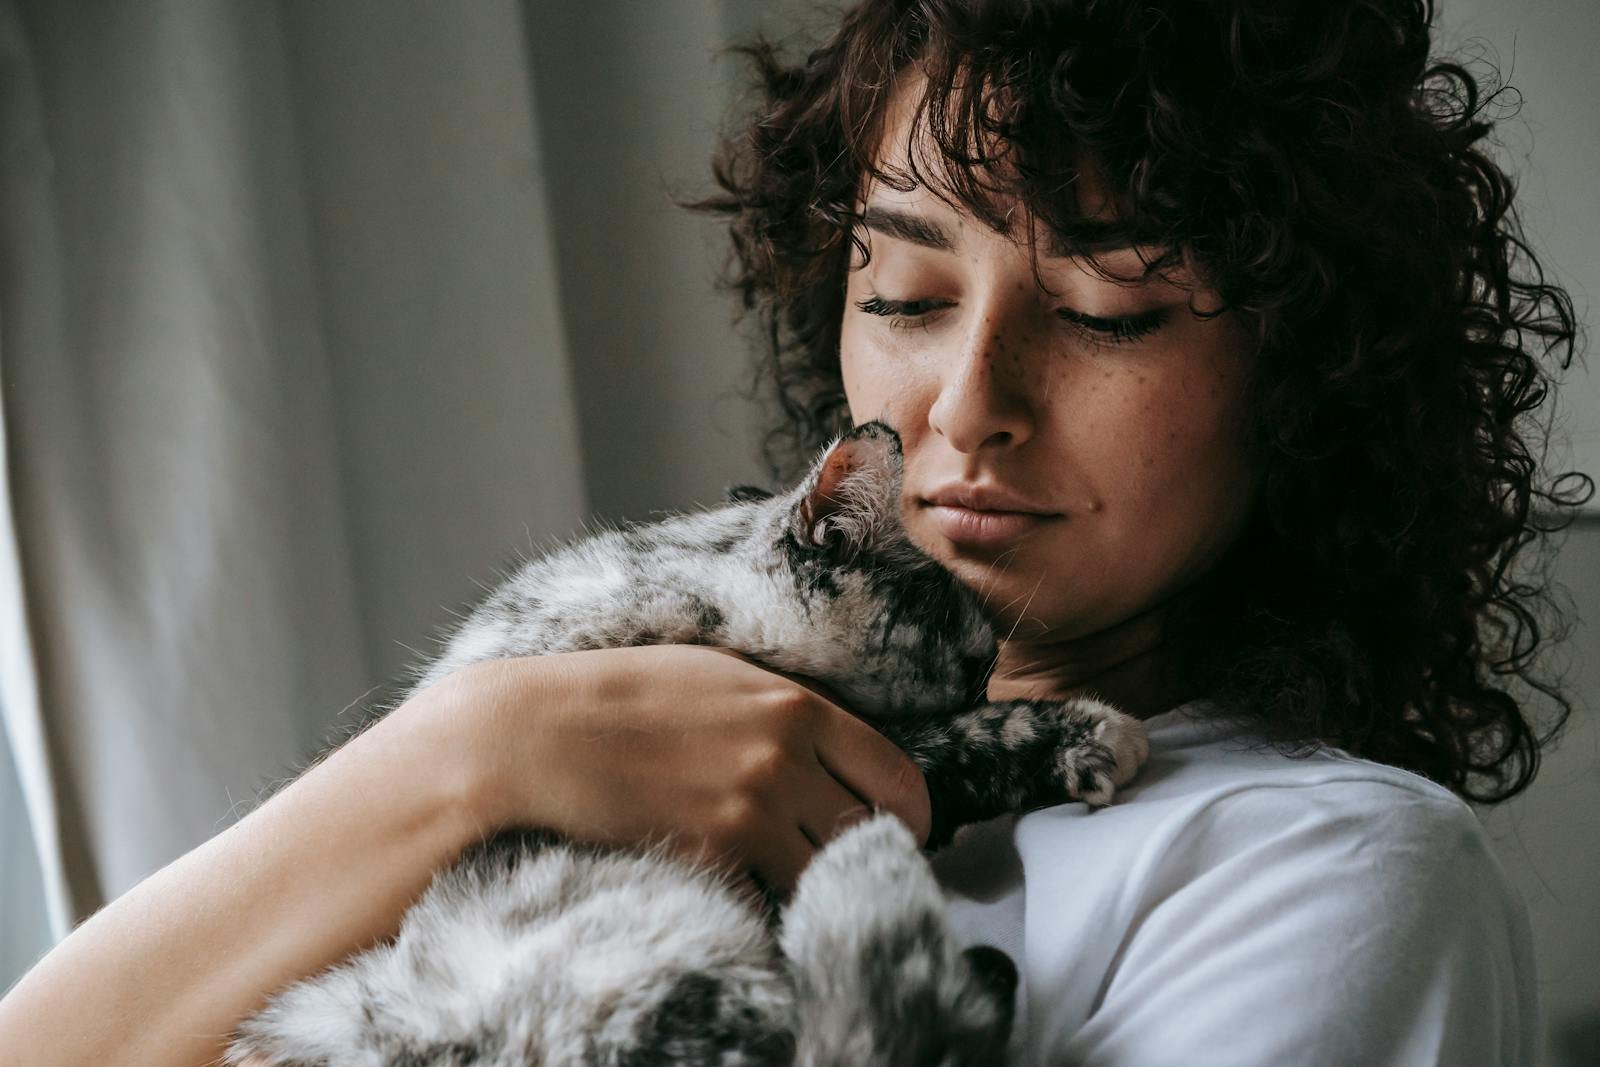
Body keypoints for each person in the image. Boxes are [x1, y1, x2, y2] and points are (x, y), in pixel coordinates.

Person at [0, 0, 1587, 1063]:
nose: (965, 405)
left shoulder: (1317, 867)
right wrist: (465, 752)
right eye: (901, 292)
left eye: (1109, 311)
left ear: (1312, 371)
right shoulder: (611, 754)